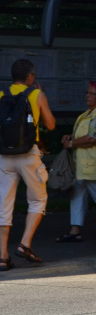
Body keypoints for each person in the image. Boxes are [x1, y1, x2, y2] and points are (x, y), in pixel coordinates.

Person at [0, 59, 56, 271]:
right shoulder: (36, 95)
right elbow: (51, 125)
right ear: (30, 77)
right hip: (28, 154)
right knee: (39, 199)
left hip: (5, 155)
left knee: (4, 205)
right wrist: (40, 98)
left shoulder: (1, 96)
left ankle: (3, 257)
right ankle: (25, 244)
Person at [56, 81, 96, 243]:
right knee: (76, 196)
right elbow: (82, 135)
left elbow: (92, 138)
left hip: (92, 165)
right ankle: (75, 230)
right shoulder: (85, 114)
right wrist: (70, 138)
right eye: (87, 93)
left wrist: (71, 143)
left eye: (92, 94)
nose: (88, 96)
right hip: (81, 165)